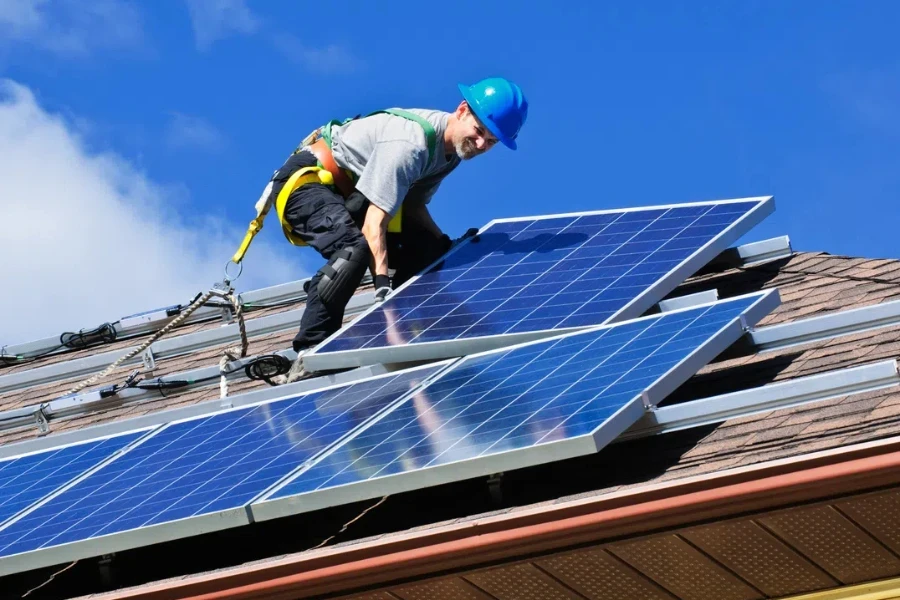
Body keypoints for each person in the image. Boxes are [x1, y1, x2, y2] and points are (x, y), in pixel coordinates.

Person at [262, 77, 528, 383]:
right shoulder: (411, 145)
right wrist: (383, 293)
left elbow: (413, 207)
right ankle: (311, 350)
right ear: (462, 110)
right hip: (307, 184)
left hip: (351, 195)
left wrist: (444, 244)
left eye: (491, 141)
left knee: (430, 251)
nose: (481, 144)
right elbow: (374, 226)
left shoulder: (449, 154)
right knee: (355, 249)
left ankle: (415, 326)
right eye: (479, 132)